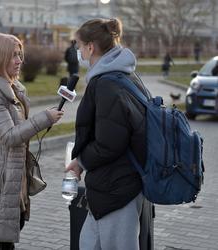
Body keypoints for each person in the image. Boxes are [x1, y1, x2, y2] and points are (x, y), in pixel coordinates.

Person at [0, 33, 64, 250]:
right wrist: (44, 119)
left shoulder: (9, 88)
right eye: (13, 56)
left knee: (6, 233)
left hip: (10, 173)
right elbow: (9, 136)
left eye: (20, 55)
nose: (20, 61)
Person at [65, 18, 151, 250]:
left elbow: (109, 143)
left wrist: (81, 161)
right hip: (115, 185)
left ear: (90, 47)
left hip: (117, 189)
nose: (78, 51)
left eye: (79, 45)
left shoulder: (106, 84)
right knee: (89, 243)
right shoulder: (124, 75)